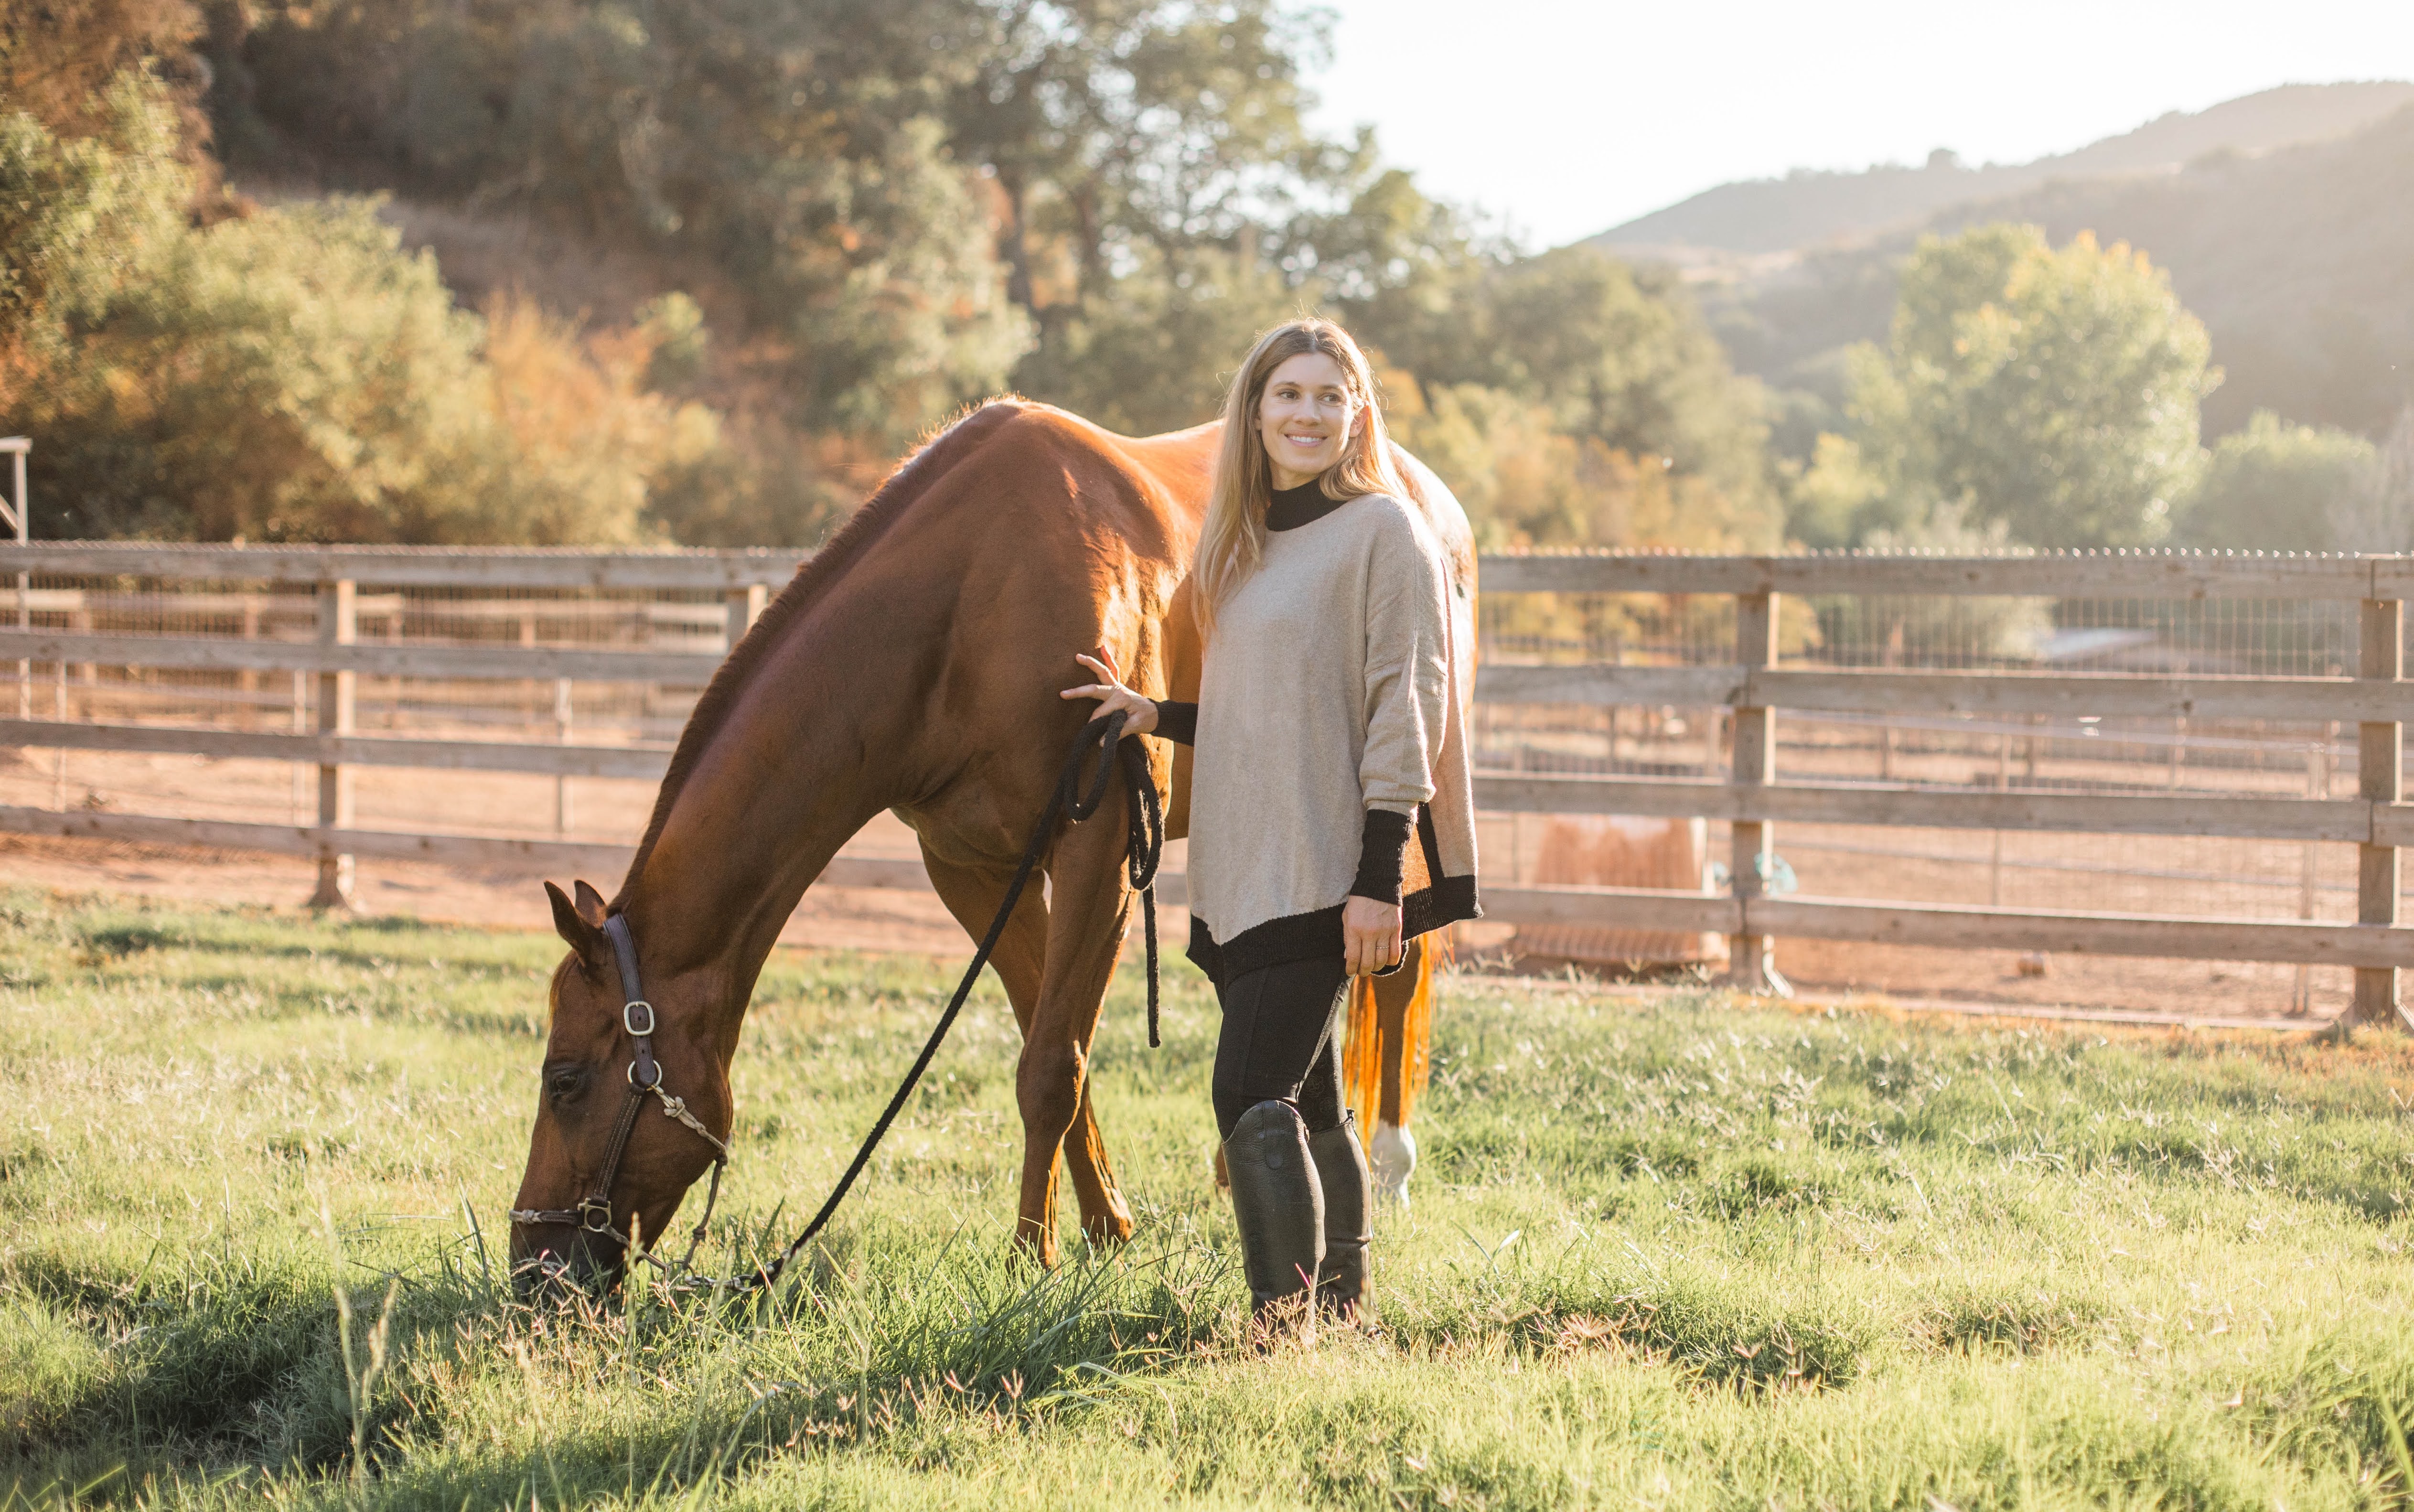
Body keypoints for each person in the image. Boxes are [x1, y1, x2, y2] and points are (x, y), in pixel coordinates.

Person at [1063, 317, 1480, 1330]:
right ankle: (1341, 1308)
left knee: (1250, 1091)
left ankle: (1277, 1325)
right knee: (1314, 1093)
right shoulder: (1242, 544)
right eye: (1287, 394)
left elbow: (1404, 710)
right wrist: (1159, 715)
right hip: (1249, 860)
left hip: (1330, 863)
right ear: (1254, 410)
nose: (1307, 413)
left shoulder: (1386, 531)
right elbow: (1275, 705)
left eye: (1327, 396)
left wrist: (1379, 880)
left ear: (1356, 414)